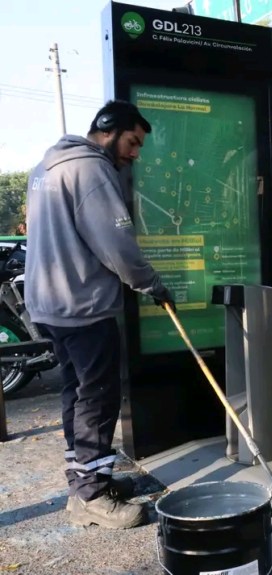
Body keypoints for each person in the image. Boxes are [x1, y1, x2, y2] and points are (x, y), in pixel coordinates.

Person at [25, 100, 174, 529]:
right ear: (107, 129)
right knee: (97, 397)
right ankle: (91, 495)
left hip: (50, 305)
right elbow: (117, 246)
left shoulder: (46, 167)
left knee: (76, 393)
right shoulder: (90, 170)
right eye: (132, 142)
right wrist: (152, 284)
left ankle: (85, 480)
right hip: (83, 306)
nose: (135, 153)